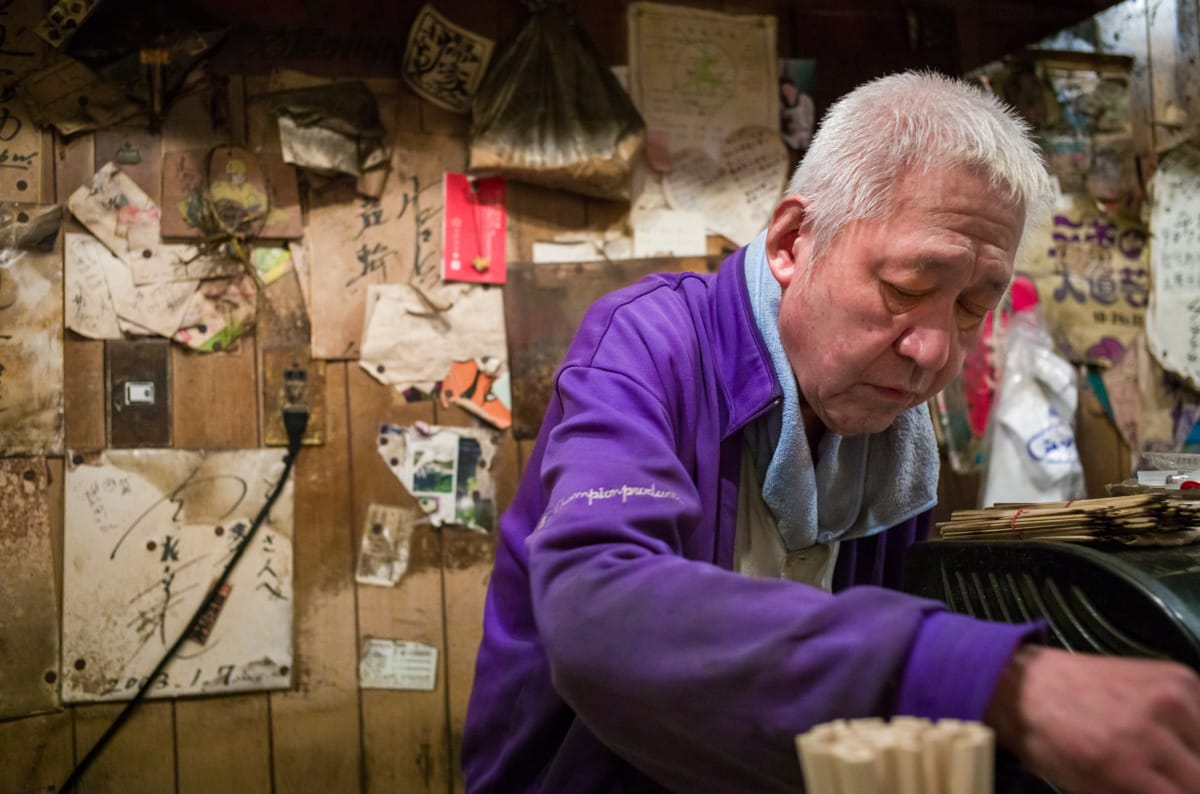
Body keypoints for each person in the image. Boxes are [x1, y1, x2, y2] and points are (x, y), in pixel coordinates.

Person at [462, 70, 1200, 793]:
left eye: (974, 305)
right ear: (791, 242)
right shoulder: (650, 345)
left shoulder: (888, 421)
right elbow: (597, 612)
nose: (936, 351)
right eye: (907, 288)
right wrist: (984, 677)